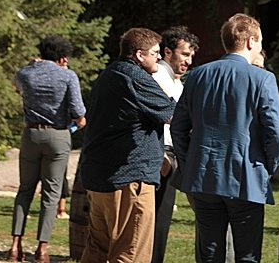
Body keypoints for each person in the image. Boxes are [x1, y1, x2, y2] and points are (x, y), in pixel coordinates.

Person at [171, 13, 279, 263]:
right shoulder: (263, 78)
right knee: (248, 255)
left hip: (204, 175)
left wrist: (189, 165)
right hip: (246, 177)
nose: (261, 46)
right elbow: (274, 132)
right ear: (251, 41)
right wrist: (268, 167)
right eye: (261, 41)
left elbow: (178, 127)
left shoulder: (198, 75)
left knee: (209, 254)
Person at [78, 27, 178, 263]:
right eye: (155, 53)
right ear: (140, 55)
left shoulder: (110, 73)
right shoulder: (136, 77)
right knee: (130, 252)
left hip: (100, 177)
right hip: (129, 177)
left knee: (97, 251)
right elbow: (173, 113)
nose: (159, 58)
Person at [10, 36, 88, 263]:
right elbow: (78, 111)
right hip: (58, 135)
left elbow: (16, 84)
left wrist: (33, 65)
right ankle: (42, 248)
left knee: (24, 190)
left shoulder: (26, 73)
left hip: (31, 134)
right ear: (63, 58)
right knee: (51, 195)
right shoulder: (67, 76)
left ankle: (15, 245)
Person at [151, 26, 198, 263]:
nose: (188, 61)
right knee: (155, 221)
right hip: (159, 156)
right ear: (167, 52)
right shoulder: (158, 76)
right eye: (184, 55)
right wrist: (163, 158)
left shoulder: (177, 83)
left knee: (162, 220)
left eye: (191, 56)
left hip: (170, 157)